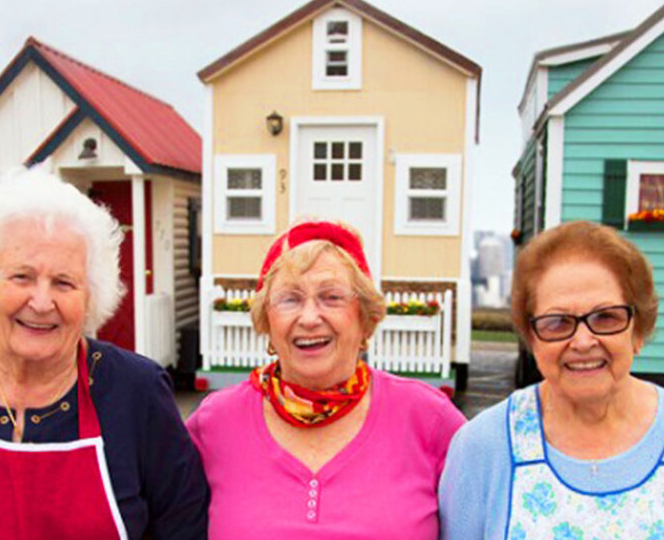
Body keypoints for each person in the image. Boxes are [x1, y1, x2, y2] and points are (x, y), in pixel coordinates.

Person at [0, 170, 208, 539]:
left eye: (64, 282)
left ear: (91, 297)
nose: (41, 301)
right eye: (21, 276)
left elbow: (184, 527)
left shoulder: (138, 394)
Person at [439, 220, 664, 539]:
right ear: (532, 338)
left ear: (639, 329)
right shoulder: (484, 445)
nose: (582, 341)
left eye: (606, 317)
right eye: (557, 322)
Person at [186, 220, 464, 538]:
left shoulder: (429, 418)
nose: (308, 318)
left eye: (331, 297)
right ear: (267, 322)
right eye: (289, 299)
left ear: (365, 317)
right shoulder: (214, 423)